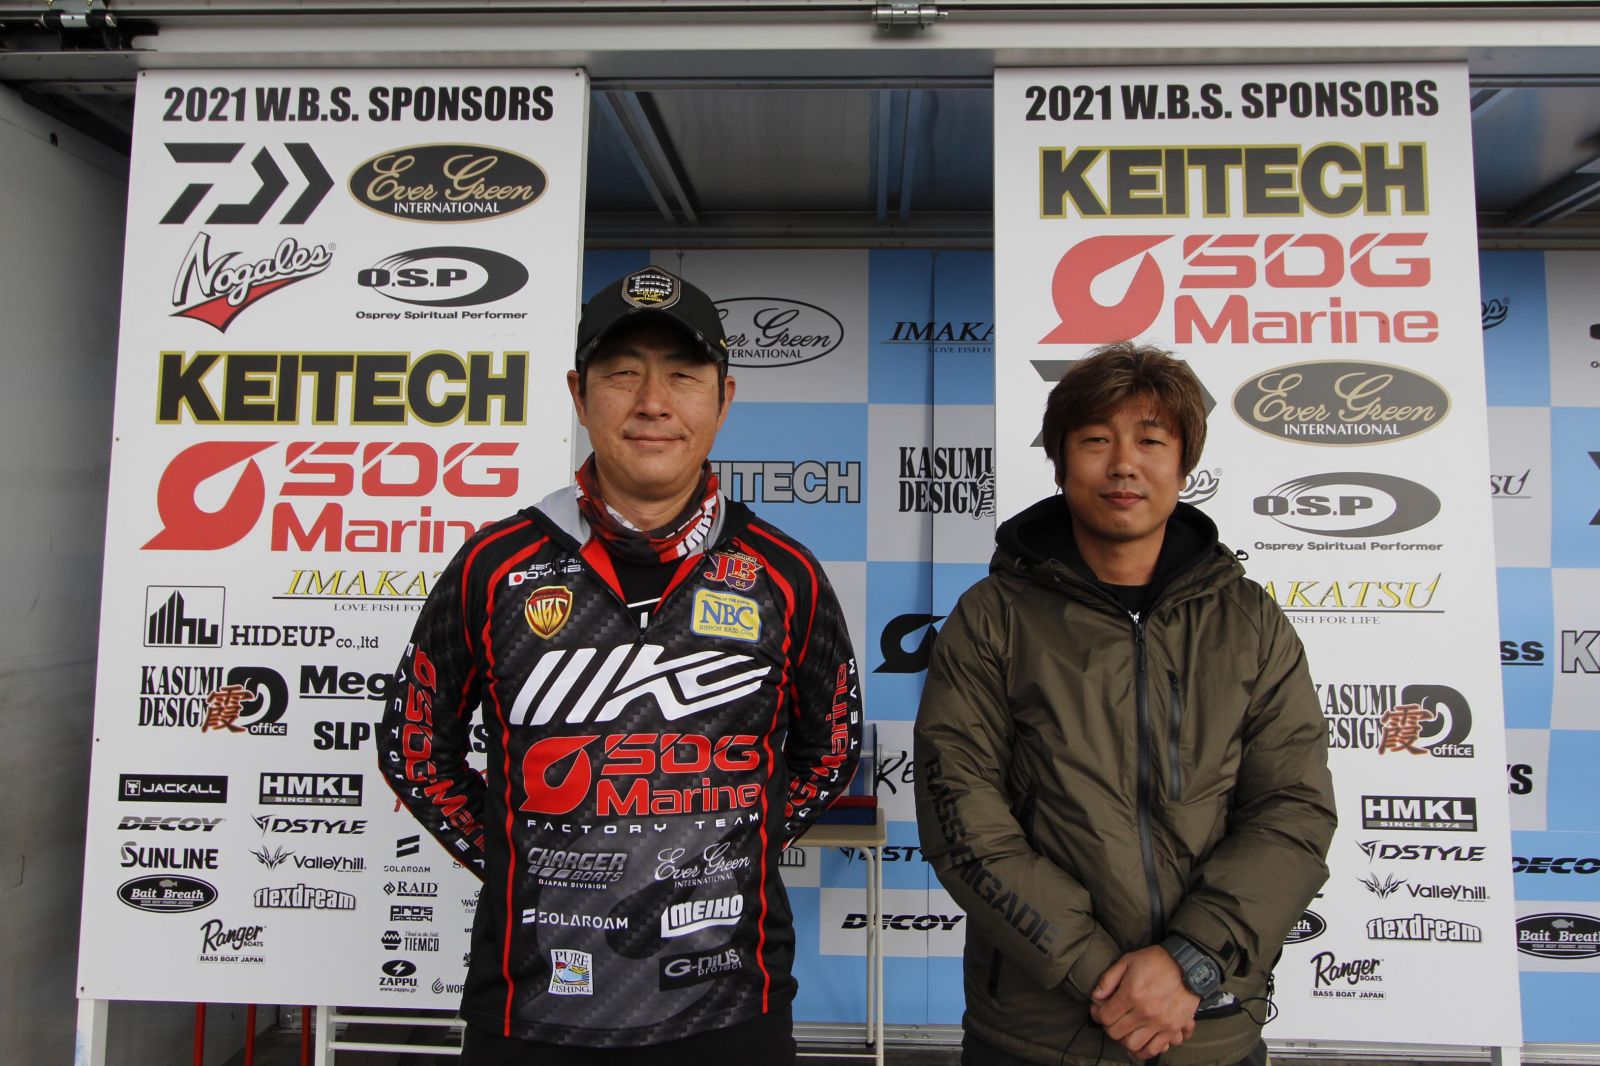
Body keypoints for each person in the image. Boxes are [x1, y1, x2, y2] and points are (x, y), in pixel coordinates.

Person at [379, 264, 861, 1065]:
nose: (652, 402)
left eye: (683, 375)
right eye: (622, 373)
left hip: (730, 1000)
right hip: (531, 1004)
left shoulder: (784, 574)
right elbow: (413, 746)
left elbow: (831, 746)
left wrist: (740, 851)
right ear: (579, 394)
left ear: (724, 398)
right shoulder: (494, 566)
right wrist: (512, 859)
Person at [914, 342, 1335, 1066]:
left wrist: (1190, 962)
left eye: (1151, 441)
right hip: (1037, 1031)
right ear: (1059, 463)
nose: (1123, 465)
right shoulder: (993, 617)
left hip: (1207, 1026)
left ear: (1184, 465)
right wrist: (1101, 975)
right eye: (1095, 440)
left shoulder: (1249, 622)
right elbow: (964, 817)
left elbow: (1293, 809)